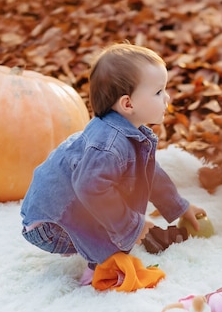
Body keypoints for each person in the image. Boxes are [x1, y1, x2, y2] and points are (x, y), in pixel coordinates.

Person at [20, 42, 206, 280]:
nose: (167, 97)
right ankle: (100, 270)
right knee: (115, 229)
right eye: (159, 92)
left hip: (63, 208)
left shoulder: (128, 132)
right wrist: (131, 226)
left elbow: (149, 175)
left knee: (116, 213)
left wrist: (179, 205)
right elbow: (90, 188)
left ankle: (104, 248)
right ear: (128, 104)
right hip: (51, 224)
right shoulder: (109, 145)